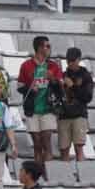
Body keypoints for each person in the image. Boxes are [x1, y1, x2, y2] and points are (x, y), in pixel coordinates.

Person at [18, 36, 63, 165]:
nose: (50, 49)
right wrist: (30, 88)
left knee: (46, 141)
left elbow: (61, 87)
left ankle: (50, 173)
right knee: (37, 144)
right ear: (39, 48)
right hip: (32, 109)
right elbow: (19, 86)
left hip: (48, 108)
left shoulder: (53, 66)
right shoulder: (26, 65)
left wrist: (53, 78)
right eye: (47, 46)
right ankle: (38, 173)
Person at [58, 48, 94, 161]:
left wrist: (73, 86)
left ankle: (82, 174)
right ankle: (65, 175)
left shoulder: (85, 76)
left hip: (79, 114)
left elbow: (87, 97)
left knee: (79, 148)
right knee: (64, 149)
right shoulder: (63, 75)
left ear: (79, 60)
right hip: (64, 115)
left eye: (73, 60)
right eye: (68, 61)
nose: (70, 63)